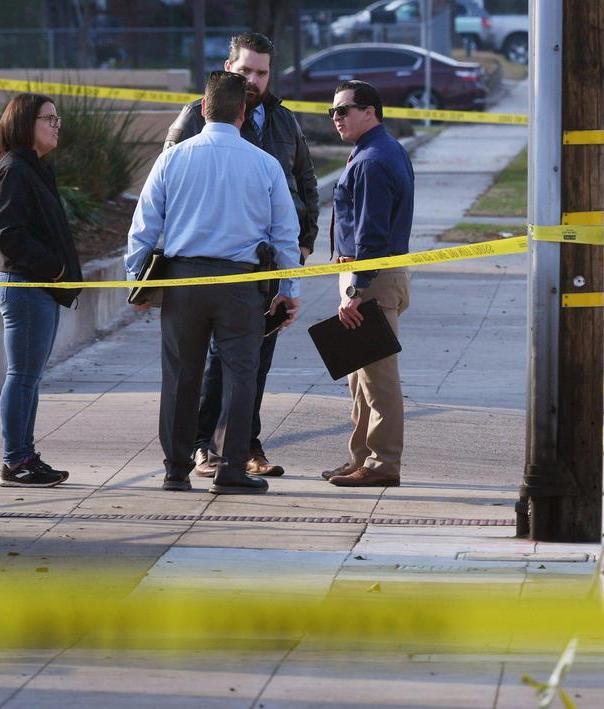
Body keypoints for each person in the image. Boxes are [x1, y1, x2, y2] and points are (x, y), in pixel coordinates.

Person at [126, 71, 303, 495]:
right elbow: (285, 234)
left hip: (183, 282)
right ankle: (231, 469)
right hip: (241, 286)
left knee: (180, 376)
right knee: (241, 374)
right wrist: (289, 291)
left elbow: (144, 227)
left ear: (204, 108)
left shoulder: (172, 159)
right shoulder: (265, 164)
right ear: (243, 113)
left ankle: (175, 469)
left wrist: (137, 284)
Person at [164, 32, 320, 481]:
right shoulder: (197, 116)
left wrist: (304, 243)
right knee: (214, 361)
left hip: (270, 263)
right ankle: (204, 446)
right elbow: (167, 184)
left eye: (262, 72)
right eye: (245, 70)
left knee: (254, 362)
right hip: (214, 264)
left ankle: (245, 445)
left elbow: (305, 183)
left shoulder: (283, 122)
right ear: (227, 68)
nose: (253, 80)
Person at [0, 93, 83, 488]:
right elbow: (9, 234)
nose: (57, 126)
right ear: (25, 123)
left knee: (30, 377)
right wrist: (53, 266)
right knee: (22, 376)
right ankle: (15, 461)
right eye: (49, 119)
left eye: (58, 119)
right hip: (25, 286)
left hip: (39, 287)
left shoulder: (35, 169)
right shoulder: (13, 170)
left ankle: (25, 455)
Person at [321, 80, 414, 488]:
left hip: (371, 278)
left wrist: (356, 289)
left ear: (370, 112)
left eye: (343, 110)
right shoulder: (379, 150)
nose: (336, 118)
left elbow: (371, 234)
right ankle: (361, 457)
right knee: (360, 378)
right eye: (333, 112)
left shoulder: (372, 161)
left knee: (378, 379)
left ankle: (382, 464)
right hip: (374, 275)